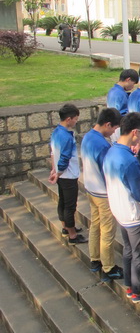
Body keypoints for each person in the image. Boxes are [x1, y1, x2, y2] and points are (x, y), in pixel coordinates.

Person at [103, 112, 140, 303]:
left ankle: (130, 285)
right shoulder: (129, 161)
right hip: (132, 213)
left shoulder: (112, 152)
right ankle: (138, 291)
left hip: (119, 209)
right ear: (135, 132)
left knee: (128, 250)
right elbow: (139, 190)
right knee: (138, 255)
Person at [81, 108, 123, 281]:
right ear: (107, 124)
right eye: (114, 129)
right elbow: (108, 171)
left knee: (95, 225)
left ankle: (95, 258)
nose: (113, 132)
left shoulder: (88, 137)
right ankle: (108, 267)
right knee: (107, 231)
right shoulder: (102, 145)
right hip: (102, 194)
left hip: (91, 189)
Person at [48, 103, 87, 245]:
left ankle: (66, 227)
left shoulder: (56, 132)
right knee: (70, 205)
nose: (76, 121)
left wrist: (54, 170)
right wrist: (58, 172)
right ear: (69, 119)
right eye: (75, 119)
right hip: (67, 175)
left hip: (61, 175)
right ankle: (72, 235)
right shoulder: (66, 137)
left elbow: (53, 152)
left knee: (63, 202)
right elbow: (64, 157)